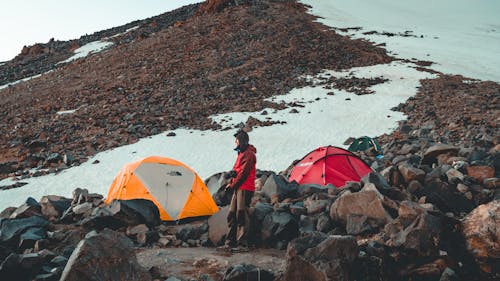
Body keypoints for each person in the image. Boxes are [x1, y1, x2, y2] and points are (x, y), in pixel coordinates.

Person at [223, 129, 256, 250]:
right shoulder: (241, 154)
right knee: (232, 213)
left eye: (236, 140)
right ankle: (230, 241)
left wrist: (232, 185)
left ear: (241, 141)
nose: (235, 142)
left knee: (241, 213)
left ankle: (242, 243)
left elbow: (243, 174)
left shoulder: (249, 154)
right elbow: (238, 171)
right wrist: (231, 177)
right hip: (238, 187)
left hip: (245, 188)